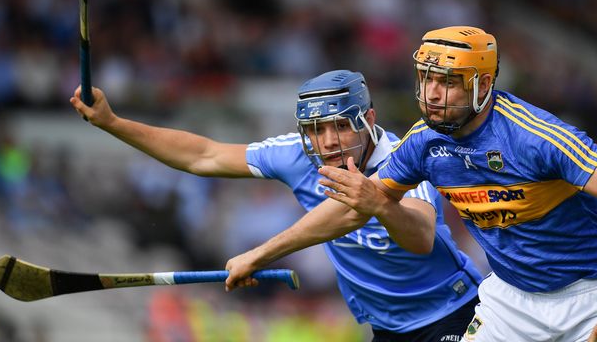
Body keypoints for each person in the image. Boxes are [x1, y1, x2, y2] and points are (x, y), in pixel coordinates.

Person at [70, 69, 484, 342]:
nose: (329, 142)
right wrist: (114, 123)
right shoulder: (296, 156)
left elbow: (421, 238)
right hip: (387, 328)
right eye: (316, 129)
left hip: (453, 312)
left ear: (369, 120)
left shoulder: (401, 159)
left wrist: (378, 203)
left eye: (341, 126)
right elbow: (203, 155)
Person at [318, 27, 597, 342]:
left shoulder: (534, 136)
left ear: (483, 85)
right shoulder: (425, 140)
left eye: (447, 82)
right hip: (510, 300)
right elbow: (362, 203)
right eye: (426, 78)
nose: (431, 94)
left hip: (586, 298)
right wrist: (280, 248)